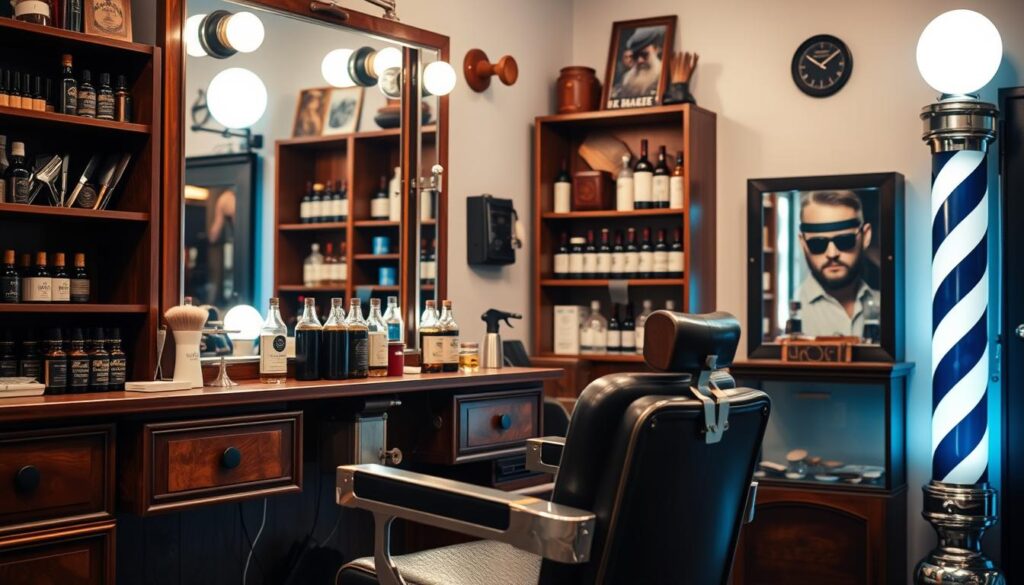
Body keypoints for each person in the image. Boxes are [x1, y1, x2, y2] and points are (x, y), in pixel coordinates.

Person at [794, 190, 879, 339]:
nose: (832, 253)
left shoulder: (891, 308)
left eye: (844, 241)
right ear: (803, 244)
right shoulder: (790, 315)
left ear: (866, 236)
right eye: (817, 244)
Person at [613, 26, 664, 99]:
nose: (640, 60)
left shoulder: (664, 75)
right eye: (635, 56)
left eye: (644, 54)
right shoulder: (626, 79)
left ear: (656, 49)